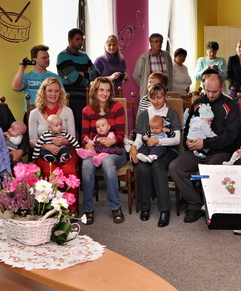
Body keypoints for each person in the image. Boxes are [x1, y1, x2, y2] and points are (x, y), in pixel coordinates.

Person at [169, 71, 240, 223]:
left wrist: (206, 143)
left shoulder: (230, 106)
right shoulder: (197, 103)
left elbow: (231, 137)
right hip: (196, 150)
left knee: (210, 170)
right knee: (175, 167)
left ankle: (211, 204)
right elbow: (188, 127)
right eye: (208, 91)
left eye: (215, 91)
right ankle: (195, 203)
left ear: (222, 87)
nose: (211, 95)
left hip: (220, 152)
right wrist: (188, 142)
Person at [129, 83, 181, 227]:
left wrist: (158, 140)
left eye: (159, 97)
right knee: (143, 168)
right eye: (153, 98)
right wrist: (134, 147)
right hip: (147, 149)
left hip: (168, 149)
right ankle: (145, 207)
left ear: (165, 96)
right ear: (149, 98)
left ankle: (164, 210)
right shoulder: (144, 114)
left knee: (157, 166)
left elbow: (177, 139)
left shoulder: (171, 113)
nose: (156, 101)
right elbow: (139, 138)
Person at [80, 77, 128, 225]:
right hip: (95, 150)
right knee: (86, 165)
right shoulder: (87, 110)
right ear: (94, 91)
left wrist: (112, 141)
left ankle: (116, 207)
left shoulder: (117, 107)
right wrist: (87, 144)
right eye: (101, 89)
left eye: (108, 90)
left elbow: (121, 134)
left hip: (116, 151)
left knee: (107, 162)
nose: (105, 93)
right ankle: (88, 209)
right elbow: (84, 135)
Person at [28, 77, 79, 209]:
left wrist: (64, 141)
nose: (53, 94)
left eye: (56, 91)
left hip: (66, 151)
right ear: (43, 92)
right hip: (44, 153)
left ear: (60, 93)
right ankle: (52, 209)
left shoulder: (67, 111)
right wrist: (45, 146)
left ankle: (71, 208)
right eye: (50, 90)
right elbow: (32, 140)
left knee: (70, 171)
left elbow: (73, 138)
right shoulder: (34, 113)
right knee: (52, 173)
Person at [56, 28, 100, 135]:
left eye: (82, 39)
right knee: (73, 128)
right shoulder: (63, 56)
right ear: (69, 39)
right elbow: (75, 78)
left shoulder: (84, 56)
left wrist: (84, 74)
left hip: (86, 96)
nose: (80, 42)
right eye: (77, 39)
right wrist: (88, 81)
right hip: (71, 97)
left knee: (86, 128)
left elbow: (97, 73)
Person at [11, 44, 59, 113]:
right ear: (34, 59)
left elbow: (62, 97)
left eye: (48, 57)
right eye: (44, 58)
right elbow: (16, 87)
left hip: (51, 114)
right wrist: (22, 67)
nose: (47, 60)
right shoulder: (27, 76)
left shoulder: (54, 77)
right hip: (31, 113)